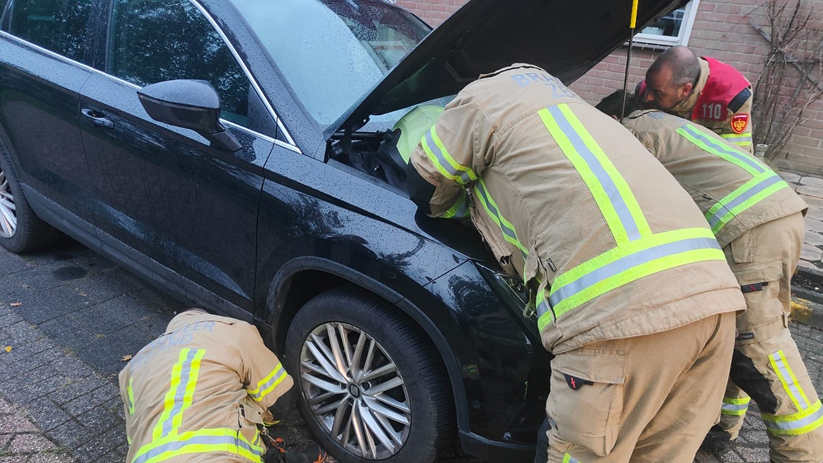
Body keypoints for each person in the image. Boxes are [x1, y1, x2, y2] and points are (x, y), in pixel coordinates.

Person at [405, 63, 746, 463]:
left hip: (620, 322)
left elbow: (425, 187)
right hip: (714, 302)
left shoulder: (478, 101)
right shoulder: (571, 106)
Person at [597, 90, 822, 463]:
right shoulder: (662, 123)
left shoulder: (629, 137)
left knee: (760, 347)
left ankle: (804, 454)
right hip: (775, 217)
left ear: (610, 121)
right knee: (734, 333)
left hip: (750, 233)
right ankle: (723, 427)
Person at [118, 308, 327, 463]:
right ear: (208, 316)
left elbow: (136, 432)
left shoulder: (133, 366)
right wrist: (258, 417)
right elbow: (280, 399)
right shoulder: (233, 332)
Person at [637, 45, 754, 153]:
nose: (648, 97)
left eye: (657, 93)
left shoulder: (732, 97)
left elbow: (735, 158)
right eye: (648, 86)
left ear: (685, 90)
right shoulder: (656, 86)